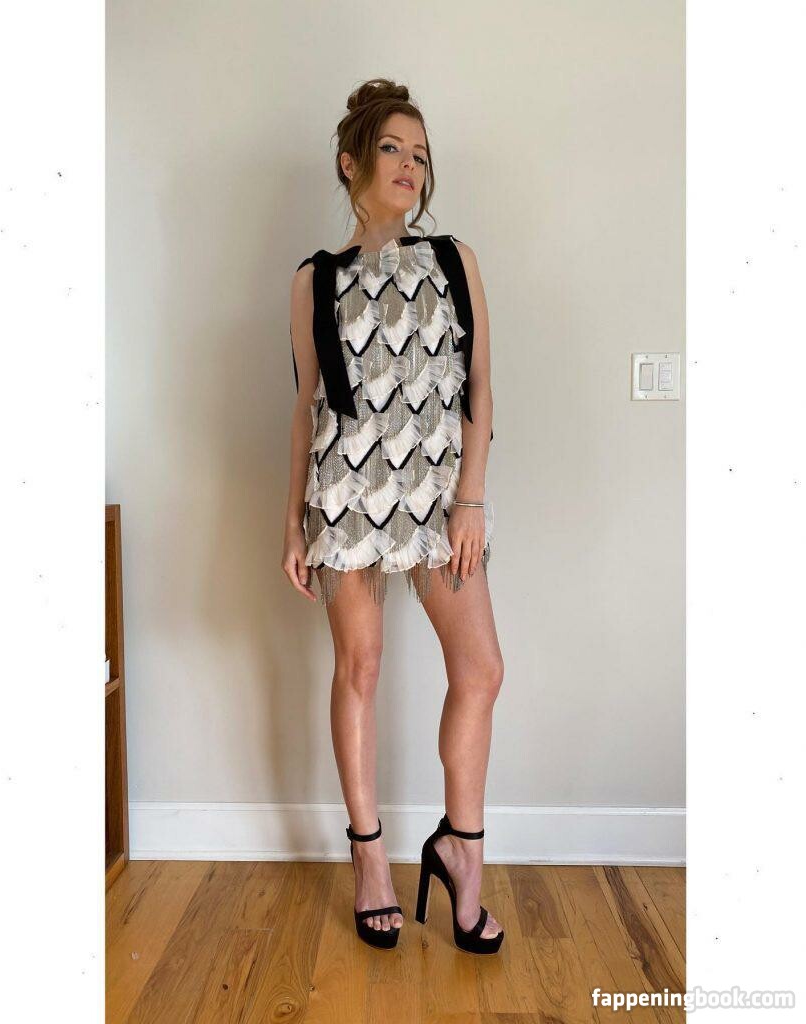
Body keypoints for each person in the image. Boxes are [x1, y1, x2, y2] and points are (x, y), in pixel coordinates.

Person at [282, 78, 504, 954]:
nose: (410, 165)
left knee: (480, 669)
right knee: (360, 669)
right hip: (345, 496)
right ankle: (369, 858)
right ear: (350, 163)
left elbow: (480, 388)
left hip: (440, 499)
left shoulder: (452, 259)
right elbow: (305, 409)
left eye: (419, 153)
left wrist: (470, 498)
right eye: (391, 149)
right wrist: (291, 524)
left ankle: (460, 849)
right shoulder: (315, 279)